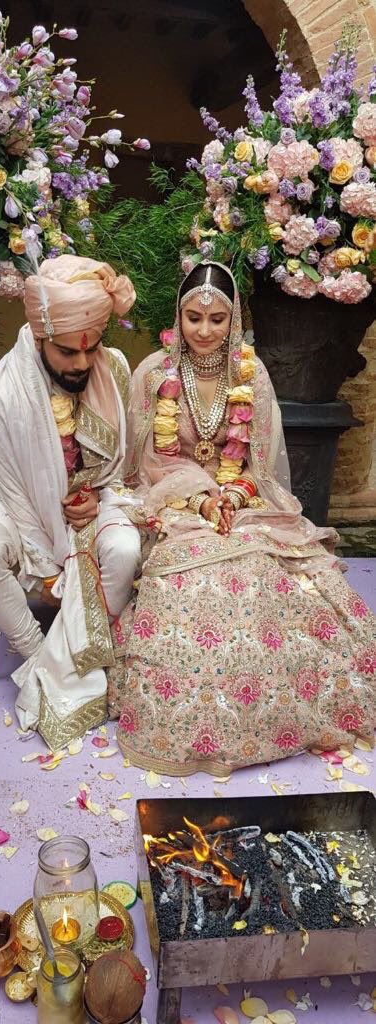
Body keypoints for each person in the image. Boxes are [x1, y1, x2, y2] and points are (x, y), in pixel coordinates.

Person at [108, 261, 376, 777]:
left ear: (234, 321)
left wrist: (234, 491)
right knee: (195, 586)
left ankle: (279, 714)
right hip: (176, 505)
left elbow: (263, 459)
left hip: (247, 504)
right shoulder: (154, 374)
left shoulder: (252, 376)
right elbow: (149, 460)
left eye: (216, 320)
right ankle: (193, 723)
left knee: (277, 577)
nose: (204, 331)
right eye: (193, 318)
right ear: (177, 317)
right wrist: (202, 497)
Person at [0, 254, 141, 750]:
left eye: (91, 349)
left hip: (95, 492)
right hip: (20, 500)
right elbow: (17, 487)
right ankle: (42, 655)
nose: (82, 364)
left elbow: (121, 464)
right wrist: (50, 548)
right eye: (67, 353)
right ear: (40, 337)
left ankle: (82, 648)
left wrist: (97, 496)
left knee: (125, 551)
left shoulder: (115, 369)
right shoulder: (1, 388)